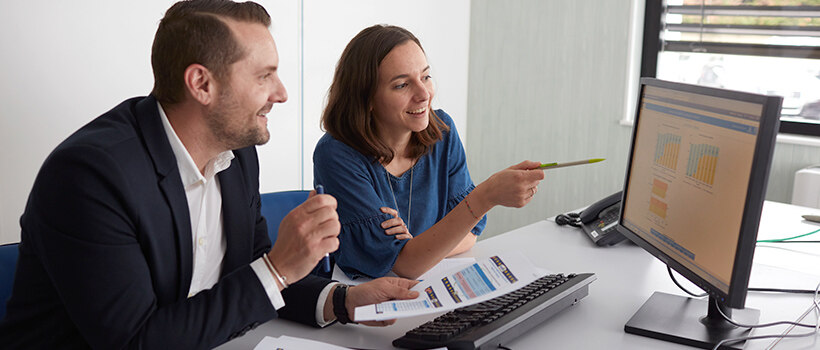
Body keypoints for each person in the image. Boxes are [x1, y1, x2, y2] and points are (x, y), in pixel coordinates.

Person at [0, 1, 419, 349]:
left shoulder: (238, 154)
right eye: (264, 76)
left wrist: (343, 301)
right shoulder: (90, 177)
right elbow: (134, 342)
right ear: (202, 84)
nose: (281, 93)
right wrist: (278, 268)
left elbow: (253, 275)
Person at [313, 24, 545, 280]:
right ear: (366, 99)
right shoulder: (336, 155)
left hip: (429, 284)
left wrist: (417, 249)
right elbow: (403, 265)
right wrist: (486, 196)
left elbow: (470, 233)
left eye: (425, 76)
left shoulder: (441, 131)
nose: (424, 94)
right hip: (362, 297)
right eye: (402, 85)